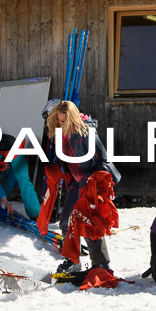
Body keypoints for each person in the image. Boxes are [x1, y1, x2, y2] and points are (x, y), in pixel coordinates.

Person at [45, 100, 121, 272]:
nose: (61, 124)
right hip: (76, 182)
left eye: (64, 121)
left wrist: (97, 184)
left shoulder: (87, 133)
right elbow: (61, 158)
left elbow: (104, 160)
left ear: (73, 119)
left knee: (90, 223)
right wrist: (54, 167)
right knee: (66, 221)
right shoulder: (59, 134)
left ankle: (102, 264)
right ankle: (72, 260)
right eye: (58, 121)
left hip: (92, 183)